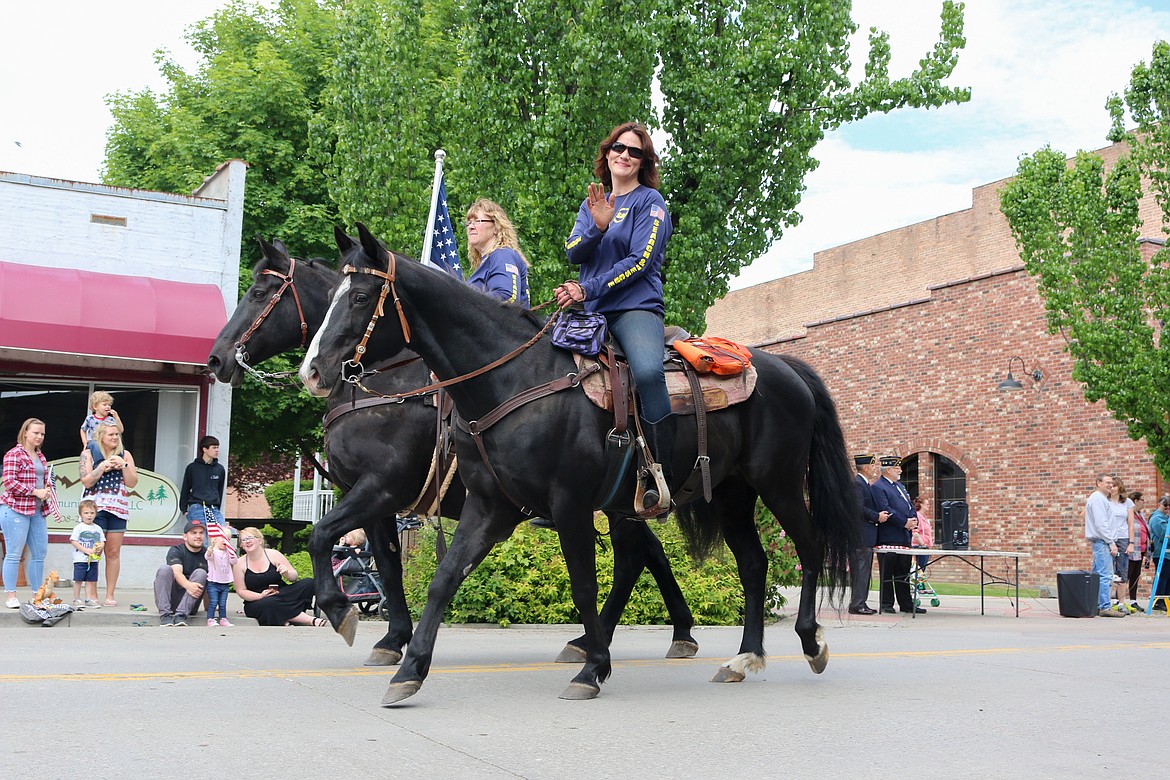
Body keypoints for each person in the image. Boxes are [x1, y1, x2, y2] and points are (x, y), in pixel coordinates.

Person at [556, 122, 674, 516]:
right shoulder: (592, 204)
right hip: (590, 315)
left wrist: (588, 289)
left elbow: (640, 262)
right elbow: (574, 252)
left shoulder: (651, 203)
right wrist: (598, 226)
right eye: (618, 148)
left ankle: (663, 471)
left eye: (634, 151)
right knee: (547, 376)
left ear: (644, 161)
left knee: (646, 372)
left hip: (634, 308)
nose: (624, 155)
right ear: (607, 154)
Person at [2, 418, 62, 608]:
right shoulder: (14, 454)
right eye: (35, 432)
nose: (39, 437)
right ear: (25, 433)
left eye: (42, 433)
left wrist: (45, 490)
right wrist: (35, 491)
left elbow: (42, 481)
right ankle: (11, 595)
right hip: (15, 509)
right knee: (13, 553)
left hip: (37, 511)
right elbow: (9, 482)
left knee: (39, 553)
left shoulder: (41, 457)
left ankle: (38, 594)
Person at [79, 420, 138, 606]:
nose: (114, 437)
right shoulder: (88, 453)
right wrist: (103, 466)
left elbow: (132, 483)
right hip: (95, 508)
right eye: (111, 434)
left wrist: (124, 465)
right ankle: (92, 594)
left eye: (116, 434)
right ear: (101, 436)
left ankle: (110, 594)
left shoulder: (125, 454)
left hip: (118, 508)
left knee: (113, 552)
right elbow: (86, 481)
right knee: (95, 551)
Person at [233, 527, 323, 626]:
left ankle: (282, 616)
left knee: (308, 583)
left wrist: (286, 573)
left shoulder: (273, 554)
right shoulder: (239, 563)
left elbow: (294, 577)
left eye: (250, 538)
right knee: (269, 602)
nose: (248, 542)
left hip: (281, 593)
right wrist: (260, 596)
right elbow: (241, 591)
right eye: (244, 540)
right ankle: (309, 620)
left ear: (260, 540)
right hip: (258, 600)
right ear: (241, 545)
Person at [871, 455, 925, 614]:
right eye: (897, 468)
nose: (900, 470)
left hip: (904, 537)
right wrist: (904, 522)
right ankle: (886, 604)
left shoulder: (900, 487)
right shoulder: (878, 487)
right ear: (888, 470)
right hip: (889, 537)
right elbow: (886, 508)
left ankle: (906, 604)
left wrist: (913, 520)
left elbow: (910, 506)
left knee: (904, 573)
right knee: (887, 573)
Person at [465, 198, 531, 308]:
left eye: (477, 221)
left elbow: (506, 296)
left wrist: (463, 303)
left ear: (496, 227)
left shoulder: (503, 254)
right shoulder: (489, 260)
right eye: (469, 223)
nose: (471, 226)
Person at [848, 454, 886, 615]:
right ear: (864, 467)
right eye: (872, 466)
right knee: (861, 570)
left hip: (866, 535)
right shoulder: (858, 484)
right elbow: (858, 508)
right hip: (861, 535)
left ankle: (861, 601)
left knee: (864, 571)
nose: (874, 469)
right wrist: (877, 516)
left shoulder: (865, 484)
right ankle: (857, 604)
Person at [154, 520, 208, 626]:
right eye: (193, 533)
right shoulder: (176, 550)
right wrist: (189, 585)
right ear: (185, 536)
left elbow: (212, 581)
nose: (198, 536)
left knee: (201, 573)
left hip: (191, 602)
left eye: (201, 533)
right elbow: (176, 572)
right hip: (171, 599)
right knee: (165, 569)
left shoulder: (208, 555)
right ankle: (165, 615)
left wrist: (210, 607)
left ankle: (181, 616)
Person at [1085, 473, 1125, 617]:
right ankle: (1104, 606)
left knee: (1097, 575)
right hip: (1102, 542)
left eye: (1111, 482)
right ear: (1098, 483)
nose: (1110, 485)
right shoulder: (1097, 499)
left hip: (1101, 541)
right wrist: (1111, 542)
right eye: (1107, 482)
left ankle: (1095, 604)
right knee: (1105, 575)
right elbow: (1101, 524)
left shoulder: (1101, 499)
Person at [179, 435, 227, 528]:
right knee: (202, 538)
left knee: (222, 534)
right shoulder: (192, 468)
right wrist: (184, 509)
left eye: (217, 447)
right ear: (205, 449)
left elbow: (220, 491)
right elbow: (186, 488)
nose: (217, 450)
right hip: (197, 507)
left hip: (214, 509)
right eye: (214, 448)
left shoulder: (220, 469)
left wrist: (217, 506)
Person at [69, 498, 105, 608]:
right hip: (81, 559)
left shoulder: (98, 528)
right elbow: (73, 541)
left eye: (92, 513)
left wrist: (100, 547)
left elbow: (102, 541)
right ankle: (76, 599)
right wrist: (85, 550)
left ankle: (88, 599)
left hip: (93, 559)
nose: (89, 516)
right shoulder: (79, 528)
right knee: (79, 580)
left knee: (90, 580)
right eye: (86, 513)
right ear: (81, 514)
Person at [1107, 476, 1136, 610]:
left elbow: (1130, 524)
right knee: (1108, 570)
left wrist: (1131, 542)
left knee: (1122, 569)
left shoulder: (1127, 502)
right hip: (1109, 538)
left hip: (1123, 538)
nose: (1111, 488)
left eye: (1114, 485)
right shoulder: (1105, 501)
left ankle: (1121, 602)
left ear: (1119, 487)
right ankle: (1106, 601)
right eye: (1110, 485)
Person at [204, 523, 237, 627]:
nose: (225, 541)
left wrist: (232, 552)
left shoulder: (228, 552)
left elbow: (234, 561)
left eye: (228, 539)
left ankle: (223, 618)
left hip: (225, 582)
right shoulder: (213, 551)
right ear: (215, 539)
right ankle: (210, 619)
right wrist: (209, 551)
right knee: (213, 602)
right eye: (223, 538)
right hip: (213, 582)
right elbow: (208, 557)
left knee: (223, 603)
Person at [1127, 490, 1149, 610]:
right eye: (1142, 500)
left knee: (1135, 575)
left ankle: (1132, 600)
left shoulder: (1141, 515)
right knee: (1127, 574)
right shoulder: (1129, 514)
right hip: (1131, 549)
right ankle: (1117, 599)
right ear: (1135, 501)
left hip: (1140, 549)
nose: (1144, 502)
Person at [1148, 496, 1170, 611]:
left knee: (1167, 578)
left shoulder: (1165, 518)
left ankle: (1166, 601)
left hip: (1167, 554)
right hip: (1161, 553)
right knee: (1162, 578)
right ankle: (1159, 601)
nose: (1167, 508)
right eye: (1165, 505)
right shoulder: (1157, 519)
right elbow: (1165, 535)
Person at [912, 496, 934, 571]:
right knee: (920, 569)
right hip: (919, 546)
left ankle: (919, 582)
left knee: (922, 569)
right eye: (927, 504)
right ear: (921, 505)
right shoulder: (917, 516)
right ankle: (918, 583)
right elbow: (915, 532)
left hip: (925, 546)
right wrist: (923, 544)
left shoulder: (924, 517)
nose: (928, 506)